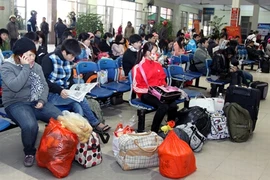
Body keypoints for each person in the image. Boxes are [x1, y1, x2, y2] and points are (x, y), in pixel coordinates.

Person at [0, 38, 62, 167]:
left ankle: (59, 146)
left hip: (35, 101)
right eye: (27, 55)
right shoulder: (7, 67)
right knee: (30, 125)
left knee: (60, 117)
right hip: (15, 103)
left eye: (33, 54)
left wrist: (42, 100)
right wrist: (26, 67)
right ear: (18, 56)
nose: (31, 58)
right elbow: (15, 86)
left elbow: (44, 86)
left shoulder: (37, 67)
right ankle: (29, 152)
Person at [41, 39, 111, 132]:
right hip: (51, 94)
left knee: (78, 107)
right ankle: (95, 123)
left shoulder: (67, 60)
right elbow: (44, 81)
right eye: (72, 56)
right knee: (81, 99)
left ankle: (80, 131)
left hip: (65, 93)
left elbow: (69, 79)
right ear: (64, 52)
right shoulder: (49, 59)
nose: (73, 59)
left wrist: (76, 88)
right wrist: (59, 90)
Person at [132, 42, 178, 133]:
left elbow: (162, 80)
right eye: (155, 51)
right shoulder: (138, 67)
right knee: (163, 106)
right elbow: (136, 87)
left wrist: (163, 88)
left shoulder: (157, 65)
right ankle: (154, 131)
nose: (157, 54)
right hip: (146, 93)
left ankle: (169, 127)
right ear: (148, 53)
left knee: (173, 105)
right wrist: (150, 90)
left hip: (159, 92)